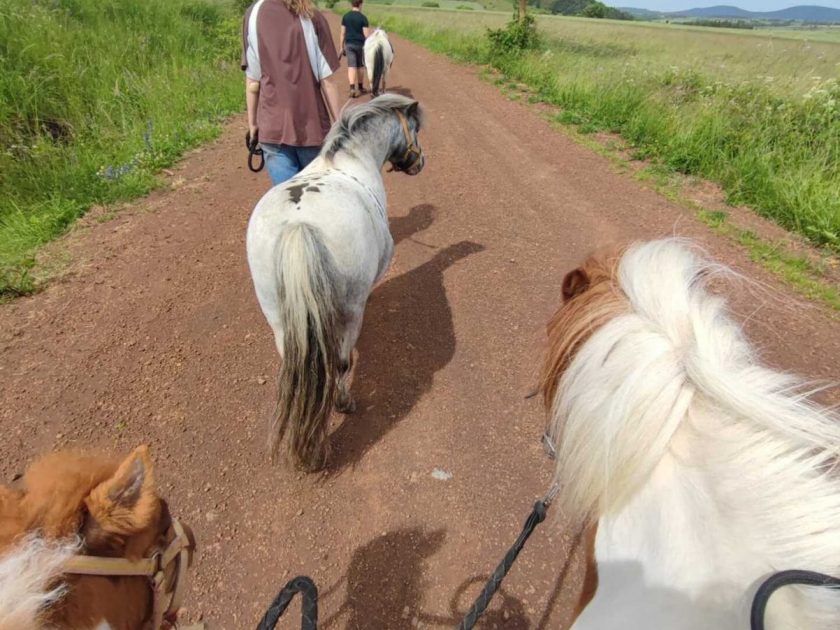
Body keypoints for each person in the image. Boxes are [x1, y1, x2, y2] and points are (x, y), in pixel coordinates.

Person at [241, 0, 343, 186]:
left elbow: (253, 82)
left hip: (272, 129)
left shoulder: (253, 14)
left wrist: (253, 124)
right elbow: (327, 81)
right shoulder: (312, 16)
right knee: (317, 202)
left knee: (288, 200)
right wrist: (339, 124)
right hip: (312, 130)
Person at [340, 0, 371, 98]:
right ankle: (361, 87)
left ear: (351, 4)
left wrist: (341, 47)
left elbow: (342, 33)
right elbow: (366, 35)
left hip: (349, 44)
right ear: (360, 4)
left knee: (351, 66)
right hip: (360, 45)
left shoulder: (346, 17)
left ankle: (352, 88)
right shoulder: (363, 18)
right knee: (360, 66)